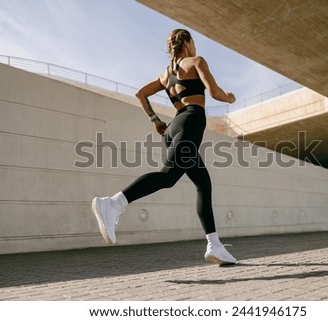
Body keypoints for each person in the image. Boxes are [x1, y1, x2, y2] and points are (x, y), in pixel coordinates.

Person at [92, 29, 237, 265]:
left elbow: (141, 94)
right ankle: (112, 203)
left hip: (173, 127)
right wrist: (230, 98)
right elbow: (214, 92)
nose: (196, 47)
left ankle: (215, 245)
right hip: (189, 123)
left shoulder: (166, 75)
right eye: (194, 43)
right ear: (188, 43)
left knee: (203, 183)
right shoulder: (196, 62)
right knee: (168, 176)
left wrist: (155, 120)